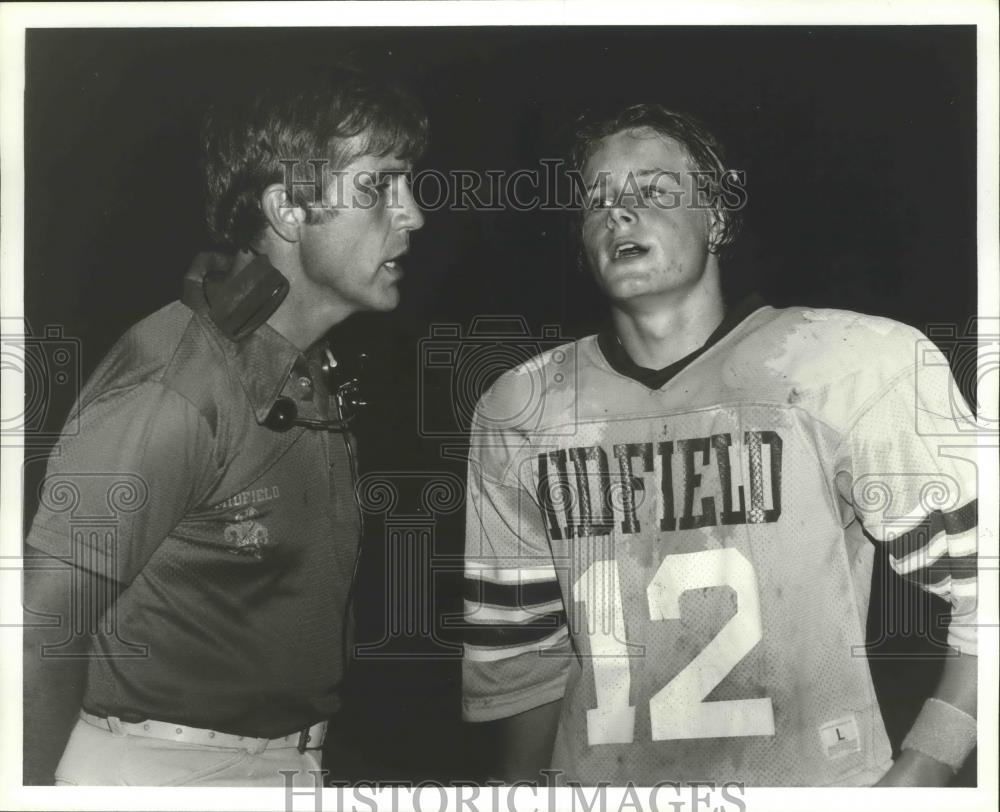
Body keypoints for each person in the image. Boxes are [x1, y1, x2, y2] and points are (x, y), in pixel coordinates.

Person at [461, 104, 977, 786]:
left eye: (655, 190)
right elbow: (520, 659)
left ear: (719, 218)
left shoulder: (847, 361)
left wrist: (926, 769)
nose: (618, 213)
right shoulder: (522, 407)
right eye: (597, 201)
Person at [22, 65, 426, 787]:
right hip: (155, 774)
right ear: (288, 210)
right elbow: (35, 634)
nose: (414, 214)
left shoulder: (303, 368)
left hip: (284, 767)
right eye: (378, 188)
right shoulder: (175, 388)